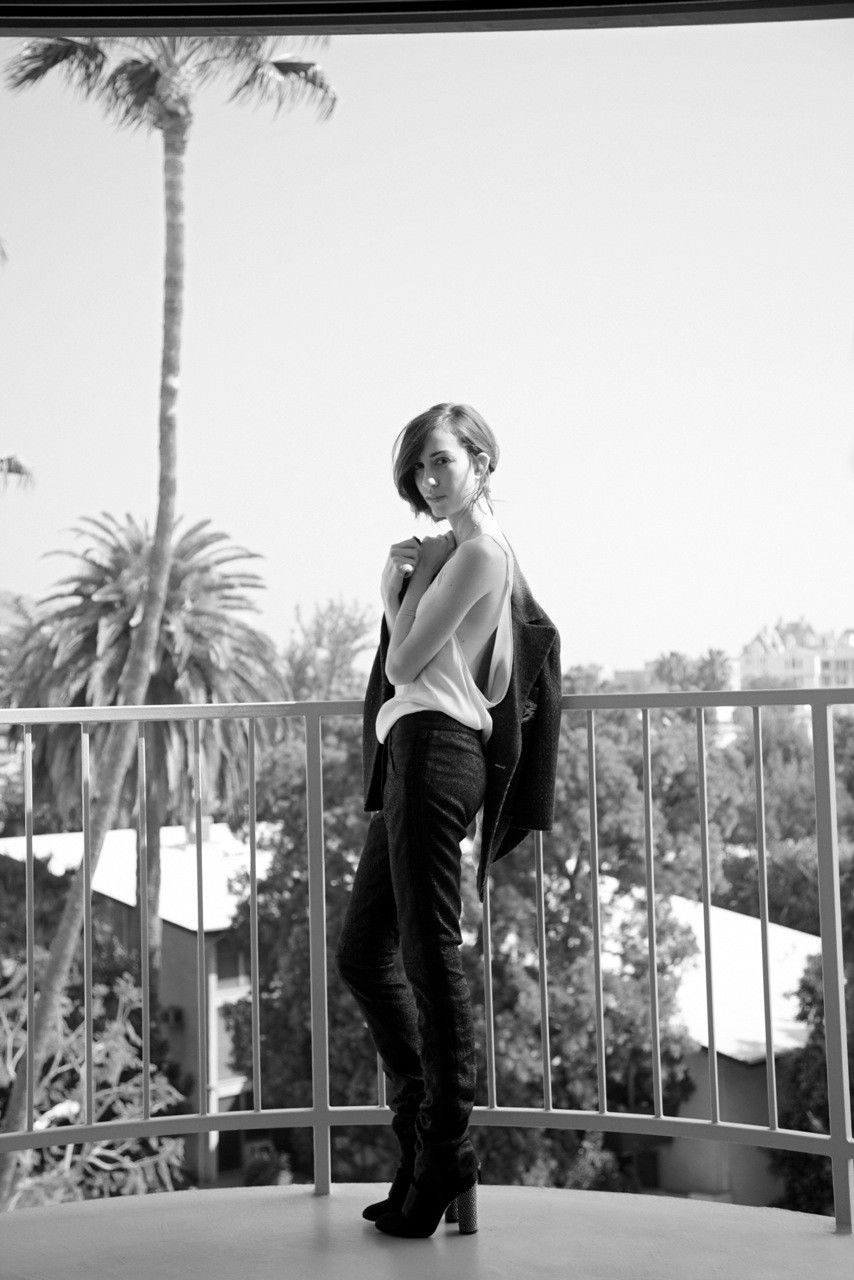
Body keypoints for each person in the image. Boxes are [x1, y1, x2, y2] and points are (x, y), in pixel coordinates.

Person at [335, 402, 561, 1239]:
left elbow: (403, 662)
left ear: (481, 462)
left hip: (435, 752)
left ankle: (445, 1153)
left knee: (431, 956)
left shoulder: (480, 554)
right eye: (419, 468)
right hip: (415, 753)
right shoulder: (466, 553)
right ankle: (422, 1139)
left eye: (442, 462)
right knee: (365, 952)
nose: (429, 480)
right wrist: (418, 582)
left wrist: (393, 588)